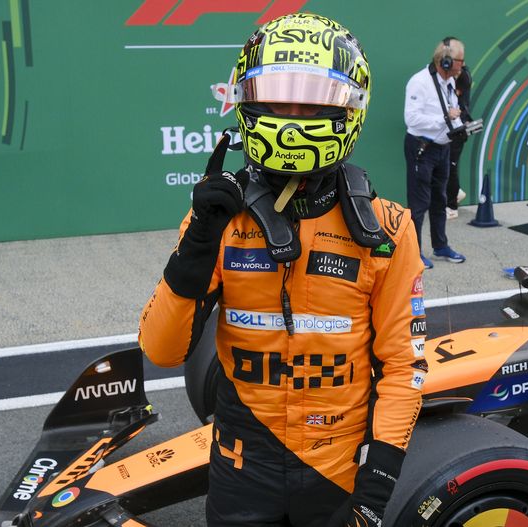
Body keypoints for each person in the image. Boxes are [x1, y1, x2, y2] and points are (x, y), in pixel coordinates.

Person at [138, 13, 425, 527]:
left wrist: (375, 491)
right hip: (241, 469)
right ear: (248, 103)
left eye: (311, 101)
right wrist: (198, 242)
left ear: (347, 107)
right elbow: (161, 351)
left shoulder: (387, 229)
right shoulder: (216, 219)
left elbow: (403, 369)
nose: (292, 115)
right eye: (275, 98)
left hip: (336, 474)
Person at [404, 37, 467, 269]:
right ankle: (413, 253)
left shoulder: (450, 82)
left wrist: (459, 122)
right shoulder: (419, 82)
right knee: (419, 203)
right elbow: (410, 119)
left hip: (442, 148)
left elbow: (450, 113)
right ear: (447, 61)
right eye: (460, 61)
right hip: (422, 147)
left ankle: (440, 246)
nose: (463, 65)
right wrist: (444, 117)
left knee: (440, 199)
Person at [446, 63, 473, 219]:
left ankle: (452, 206)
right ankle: (456, 193)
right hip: (454, 130)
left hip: (458, 131)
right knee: (448, 166)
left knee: (451, 166)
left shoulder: (463, 77)